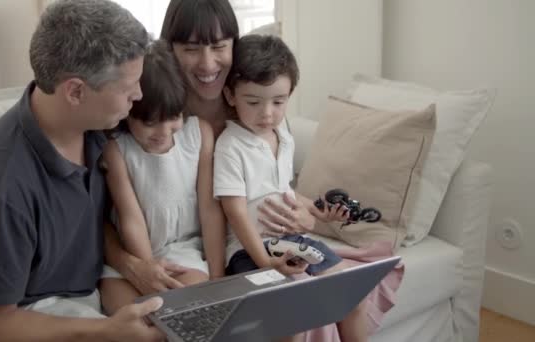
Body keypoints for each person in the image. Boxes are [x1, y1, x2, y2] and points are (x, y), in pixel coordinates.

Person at [0, 1, 165, 341]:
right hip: (15, 321)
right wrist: (106, 331)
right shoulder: (1, 186)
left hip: (79, 298)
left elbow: (80, 220)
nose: (139, 94)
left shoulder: (98, 127)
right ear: (75, 91)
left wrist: (128, 263)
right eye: (128, 86)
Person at [103, 0, 326, 296]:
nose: (208, 64)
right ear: (171, 50)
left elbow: (273, 187)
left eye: (219, 46)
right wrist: (136, 265)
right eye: (191, 49)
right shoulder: (134, 115)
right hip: (162, 252)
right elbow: (99, 217)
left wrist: (307, 217)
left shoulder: (258, 110)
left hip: (227, 252)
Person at [214, 34, 367, 342]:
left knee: (352, 295)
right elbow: (235, 212)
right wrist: (264, 261)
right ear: (231, 95)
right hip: (250, 251)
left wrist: (320, 213)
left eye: (278, 102)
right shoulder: (231, 146)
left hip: (291, 241)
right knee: (292, 316)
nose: (267, 113)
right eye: (253, 102)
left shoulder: (283, 135)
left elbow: (283, 189)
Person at [99, 39, 225, 315]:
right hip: (135, 257)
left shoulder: (199, 135)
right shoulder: (117, 149)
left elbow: (210, 208)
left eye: (173, 118)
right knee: (127, 314)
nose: (164, 132)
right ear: (128, 112)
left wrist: (218, 276)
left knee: (187, 308)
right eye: (150, 122)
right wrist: (147, 271)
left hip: (183, 252)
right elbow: (130, 216)